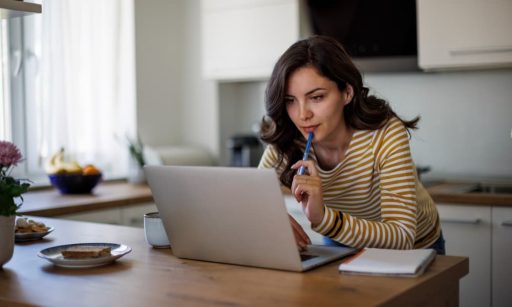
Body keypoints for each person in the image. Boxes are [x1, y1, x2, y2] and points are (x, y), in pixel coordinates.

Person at [258, 35, 445, 255]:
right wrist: (271, 218)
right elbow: (251, 200)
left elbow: (402, 234)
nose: (302, 115)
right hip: (342, 240)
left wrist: (323, 219)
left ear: (347, 92)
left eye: (316, 97)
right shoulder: (288, 139)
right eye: (290, 100)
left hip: (415, 247)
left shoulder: (385, 134)